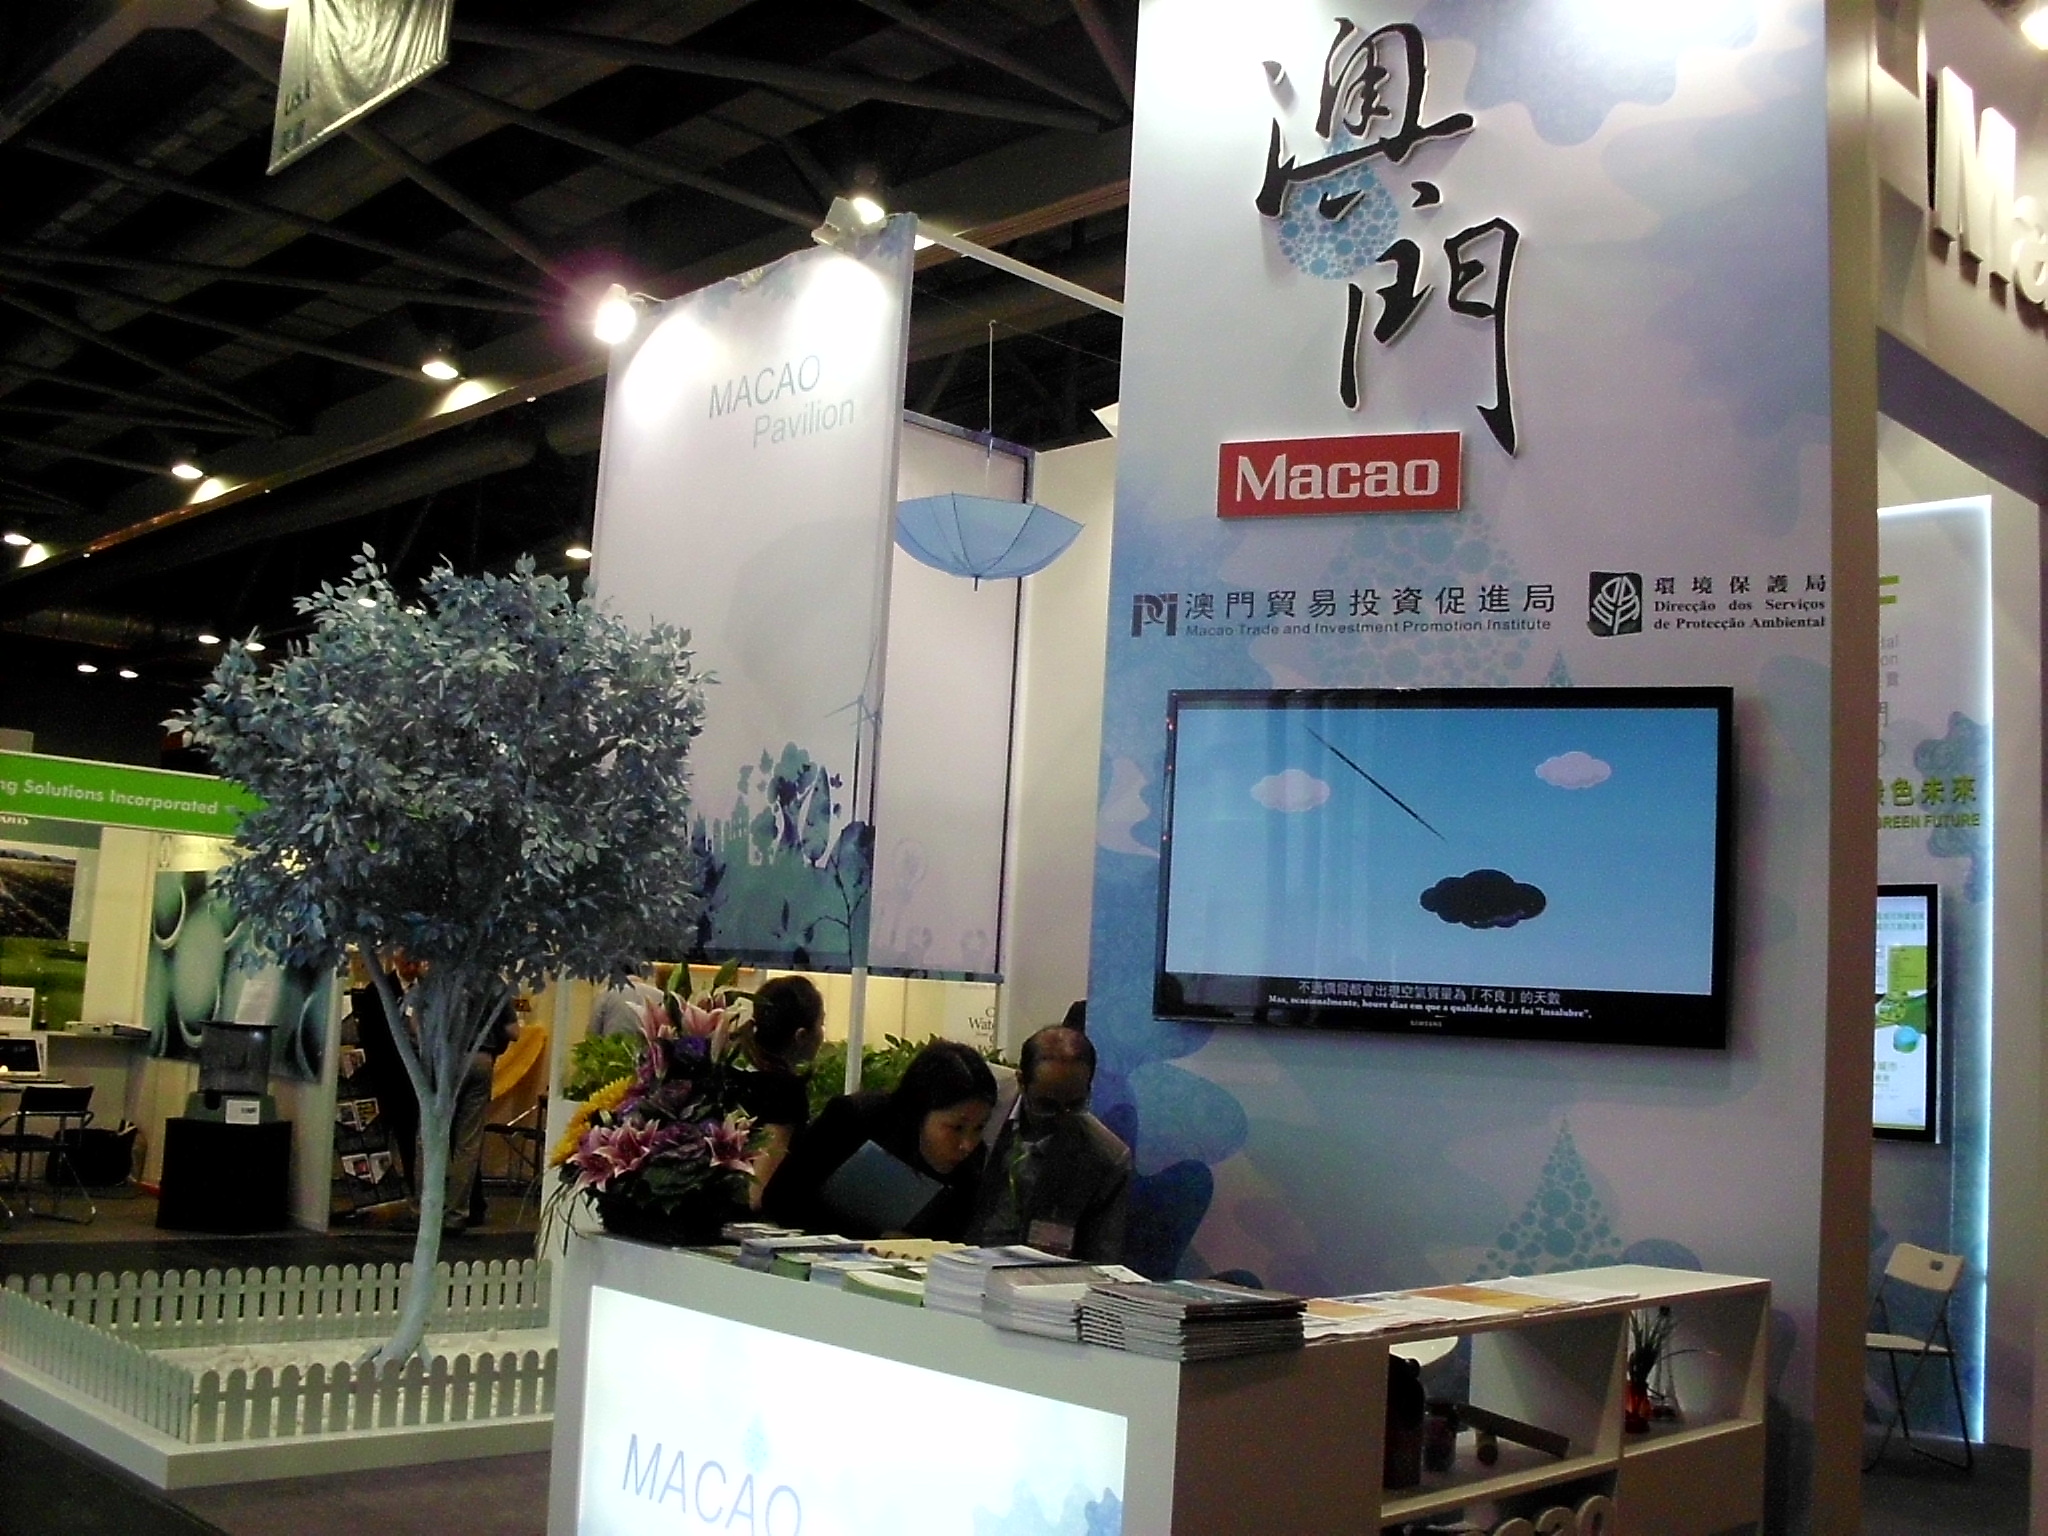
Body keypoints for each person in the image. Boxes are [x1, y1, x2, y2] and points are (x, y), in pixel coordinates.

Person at [763, 1039, 995, 1240]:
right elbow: (780, 1201)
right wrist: (873, 1236)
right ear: (919, 1111)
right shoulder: (855, 1120)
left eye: (979, 1128)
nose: (967, 1144)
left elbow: (953, 1240)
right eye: (956, 1127)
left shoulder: (971, 1163)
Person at [968, 1025, 1131, 1262]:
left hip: (1039, 1273)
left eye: (1075, 1105)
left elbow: (1100, 1258)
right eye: (1046, 1105)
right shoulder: (980, 1104)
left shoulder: (1106, 1158)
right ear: (1021, 1082)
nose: (1062, 1118)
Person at [730, 975, 826, 1206]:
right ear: (801, 1036)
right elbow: (758, 1189)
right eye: (821, 1024)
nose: (823, 1034)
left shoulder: (730, 1072)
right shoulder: (784, 1091)